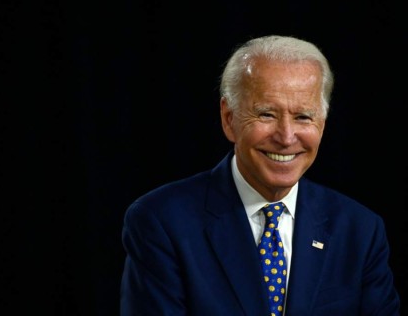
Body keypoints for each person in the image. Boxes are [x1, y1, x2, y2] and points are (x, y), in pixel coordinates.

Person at [119, 35, 400, 315]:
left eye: (303, 116)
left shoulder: (360, 231)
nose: (286, 137)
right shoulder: (162, 222)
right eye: (266, 114)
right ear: (229, 119)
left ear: (322, 125)